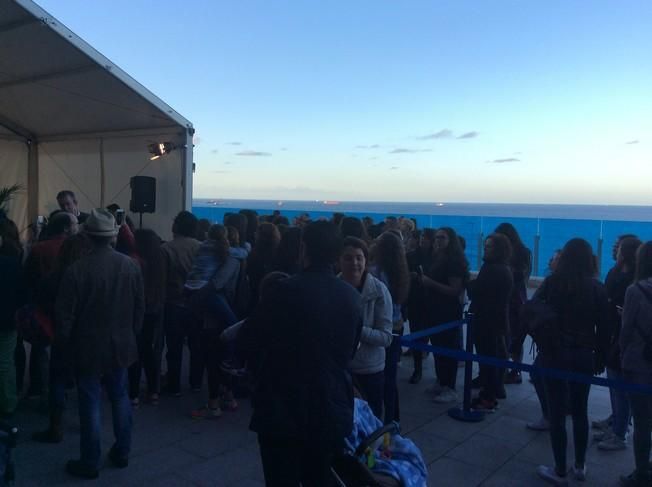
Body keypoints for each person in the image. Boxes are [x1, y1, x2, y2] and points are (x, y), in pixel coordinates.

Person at [244, 221, 362, 486]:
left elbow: (249, 340)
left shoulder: (283, 291)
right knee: (319, 478)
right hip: (330, 408)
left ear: (303, 248)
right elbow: (350, 350)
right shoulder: (352, 297)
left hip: (282, 408)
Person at [56, 209, 144, 479]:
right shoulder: (130, 265)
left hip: (87, 346)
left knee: (90, 401)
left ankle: (90, 460)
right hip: (121, 342)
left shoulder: (76, 270)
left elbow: (64, 317)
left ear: (88, 237)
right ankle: (122, 451)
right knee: (119, 396)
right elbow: (140, 309)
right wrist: (131, 335)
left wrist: (63, 346)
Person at [534, 238, 609, 485]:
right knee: (580, 411)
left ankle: (559, 469)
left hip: (554, 354)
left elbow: (533, 310)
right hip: (584, 354)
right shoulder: (597, 288)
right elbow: (605, 327)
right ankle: (579, 465)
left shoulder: (553, 283)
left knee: (557, 414)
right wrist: (600, 356)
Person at [32, 233, 93, 443]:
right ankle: (87, 424)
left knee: (57, 381)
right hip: (86, 337)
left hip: (59, 337)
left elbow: (41, 305)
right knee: (87, 384)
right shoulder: (90, 277)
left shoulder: (53, 278)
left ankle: (56, 425)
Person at [185, 224, 241, 418]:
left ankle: (214, 404)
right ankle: (229, 397)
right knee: (223, 356)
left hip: (214, 316)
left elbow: (217, 284)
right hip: (229, 307)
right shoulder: (234, 257)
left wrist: (196, 298)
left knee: (214, 358)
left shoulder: (227, 258)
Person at [339, 237, 393, 419]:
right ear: (339, 260)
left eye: (358, 258)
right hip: (339, 369)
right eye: (348, 258)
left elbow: (386, 337)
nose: (354, 263)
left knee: (371, 420)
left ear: (366, 261)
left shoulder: (379, 291)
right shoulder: (333, 289)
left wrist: (355, 329)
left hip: (369, 370)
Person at [597, 236, 640, 451]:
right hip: (611, 334)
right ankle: (616, 418)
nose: (615, 249)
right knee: (613, 382)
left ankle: (619, 433)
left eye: (619, 247)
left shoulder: (633, 281)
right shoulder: (616, 272)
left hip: (622, 339)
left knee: (619, 384)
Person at [418, 227, 468, 403]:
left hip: (447, 311)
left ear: (451, 240)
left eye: (442, 237)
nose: (438, 240)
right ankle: (441, 381)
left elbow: (455, 290)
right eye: (437, 237)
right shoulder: (437, 257)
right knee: (438, 346)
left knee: (448, 347)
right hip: (434, 309)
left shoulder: (454, 261)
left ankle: (450, 386)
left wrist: (429, 283)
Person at [619, 241, 652, 487]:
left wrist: (621, 357)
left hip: (639, 362)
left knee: (642, 422)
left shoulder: (635, 291)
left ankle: (641, 473)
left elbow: (626, 330)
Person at [468, 233, 513, 411]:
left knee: (488, 359)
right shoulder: (504, 268)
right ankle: (493, 391)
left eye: (489, 246)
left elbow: (478, 292)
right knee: (495, 357)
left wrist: (470, 284)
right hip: (497, 320)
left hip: (487, 321)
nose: (485, 249)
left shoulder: (491, 268)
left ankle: (488, 397)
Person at [161, 211, 202, 396]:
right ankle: (196, 383)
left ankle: (174, 385)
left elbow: (162, 277)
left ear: (175, 226)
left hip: (174, 303)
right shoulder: (202, 247)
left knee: (174, 347)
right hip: (197, 303)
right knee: (196, 346)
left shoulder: (166, 248)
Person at [371, 231, 410, 424]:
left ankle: (377, 422)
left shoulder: (375, 273)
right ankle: (394, 419)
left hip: (381, 327)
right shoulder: (401, 272)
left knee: (379, 375)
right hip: (397, 325)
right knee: (390, 376)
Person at [128, 229, 167, 407]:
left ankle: (133, 393)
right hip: (154, 308)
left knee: (135, 352)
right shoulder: (160, 260)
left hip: (137, 309)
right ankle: (153, 391)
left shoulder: (135, 261)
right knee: (149, 351)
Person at [494, 223, 532, 385]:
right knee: (516, 336)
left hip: (511, 298)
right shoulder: (525, 253)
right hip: (519, 297)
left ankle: (510, 370)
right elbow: (526, 277)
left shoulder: (507, 256)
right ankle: (515, 370)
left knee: (508, 334)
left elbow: (518, 275)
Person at [0, 234, 27, 416]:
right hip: (7, 319)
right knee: (4, 362)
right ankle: (8, 402)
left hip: (7, 318)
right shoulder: (12, 264)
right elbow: (21, 293)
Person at [406, 228, 436, 384]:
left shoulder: (438, 257)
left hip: (433, 300)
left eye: (427, 237)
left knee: (435, 336)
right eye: (422, 237)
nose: (423, 240)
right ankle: (417, 369)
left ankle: (440, 376)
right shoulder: (411, 256)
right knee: (416, 333)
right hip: (416, 300)